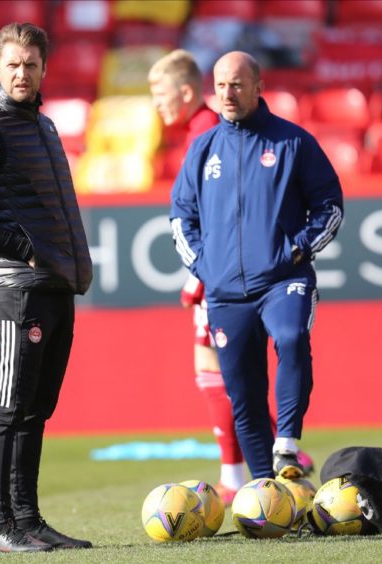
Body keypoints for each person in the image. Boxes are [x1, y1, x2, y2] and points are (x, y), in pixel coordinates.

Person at [0, 22, 93, 553]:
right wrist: (23, 247)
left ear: (43, 68)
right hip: (15, 290)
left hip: (54, 288)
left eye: (30, 64)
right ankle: (0, 528)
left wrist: (74, 265)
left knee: (36, 409)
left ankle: (29, 521)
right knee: (7, 406)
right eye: (12, 64)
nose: (21, 73)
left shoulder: (46, 128)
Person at [169, 51, 343, 481]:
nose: (228, 93)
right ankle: (265, 486)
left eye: (237, 84)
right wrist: (205, 267)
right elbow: (180, 217)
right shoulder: (203, 148)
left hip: (283, 278)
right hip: (225, 290)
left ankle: (287, 441)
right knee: (243, 393)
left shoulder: (293, 142)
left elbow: (330, 206)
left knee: (291, 336)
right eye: (222, 84)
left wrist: (299, 250)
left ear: (258, 87)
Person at [148, 49, 244, 503]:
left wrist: (201, 275)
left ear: (186, 91)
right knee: (225, 368)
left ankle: (238, 474)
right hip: (217, 266)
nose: (156, 102)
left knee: (213, 367)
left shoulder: (205, 131)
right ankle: (276, 454)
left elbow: (217, 212)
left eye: (159, 91)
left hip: (218, 270)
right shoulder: (197, 130)